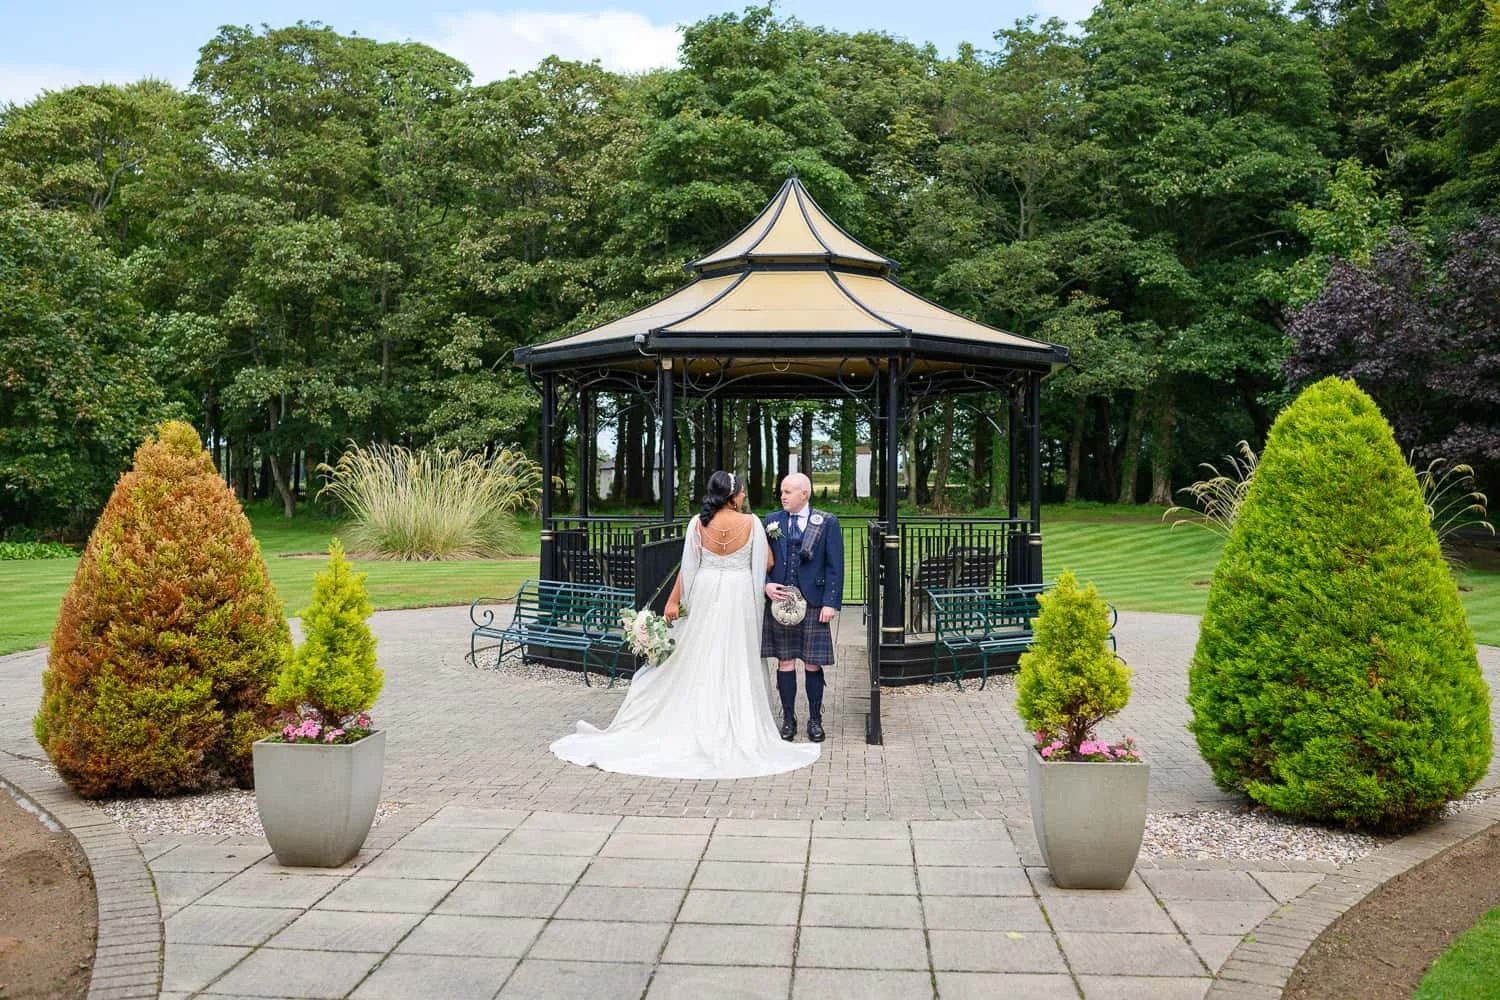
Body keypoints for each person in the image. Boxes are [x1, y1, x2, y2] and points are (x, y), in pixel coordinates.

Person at [550, 471, 821, 779]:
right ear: (732, 497)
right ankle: (734, 719)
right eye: (742, 493)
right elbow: (767, 564)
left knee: (701, 652)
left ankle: (700, 712)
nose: (744, 496)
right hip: (738, 596)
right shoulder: (752, 524)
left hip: (705, 591)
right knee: (735, 655)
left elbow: (687, 567)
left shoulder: (697, 523)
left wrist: (672, 601)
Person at [761, 472, 843, 743]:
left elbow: (835, 566)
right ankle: (788, 718)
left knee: (812, 663)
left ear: (804, 494)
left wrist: (830, 603)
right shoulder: (772, 521)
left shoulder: (826, 522)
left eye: (787, 491)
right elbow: (760, 561)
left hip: (813, 601)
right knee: (784, 662)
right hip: (781, 603)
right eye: (781, 491)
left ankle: (815, 720)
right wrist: (766, 584)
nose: (782, 496)